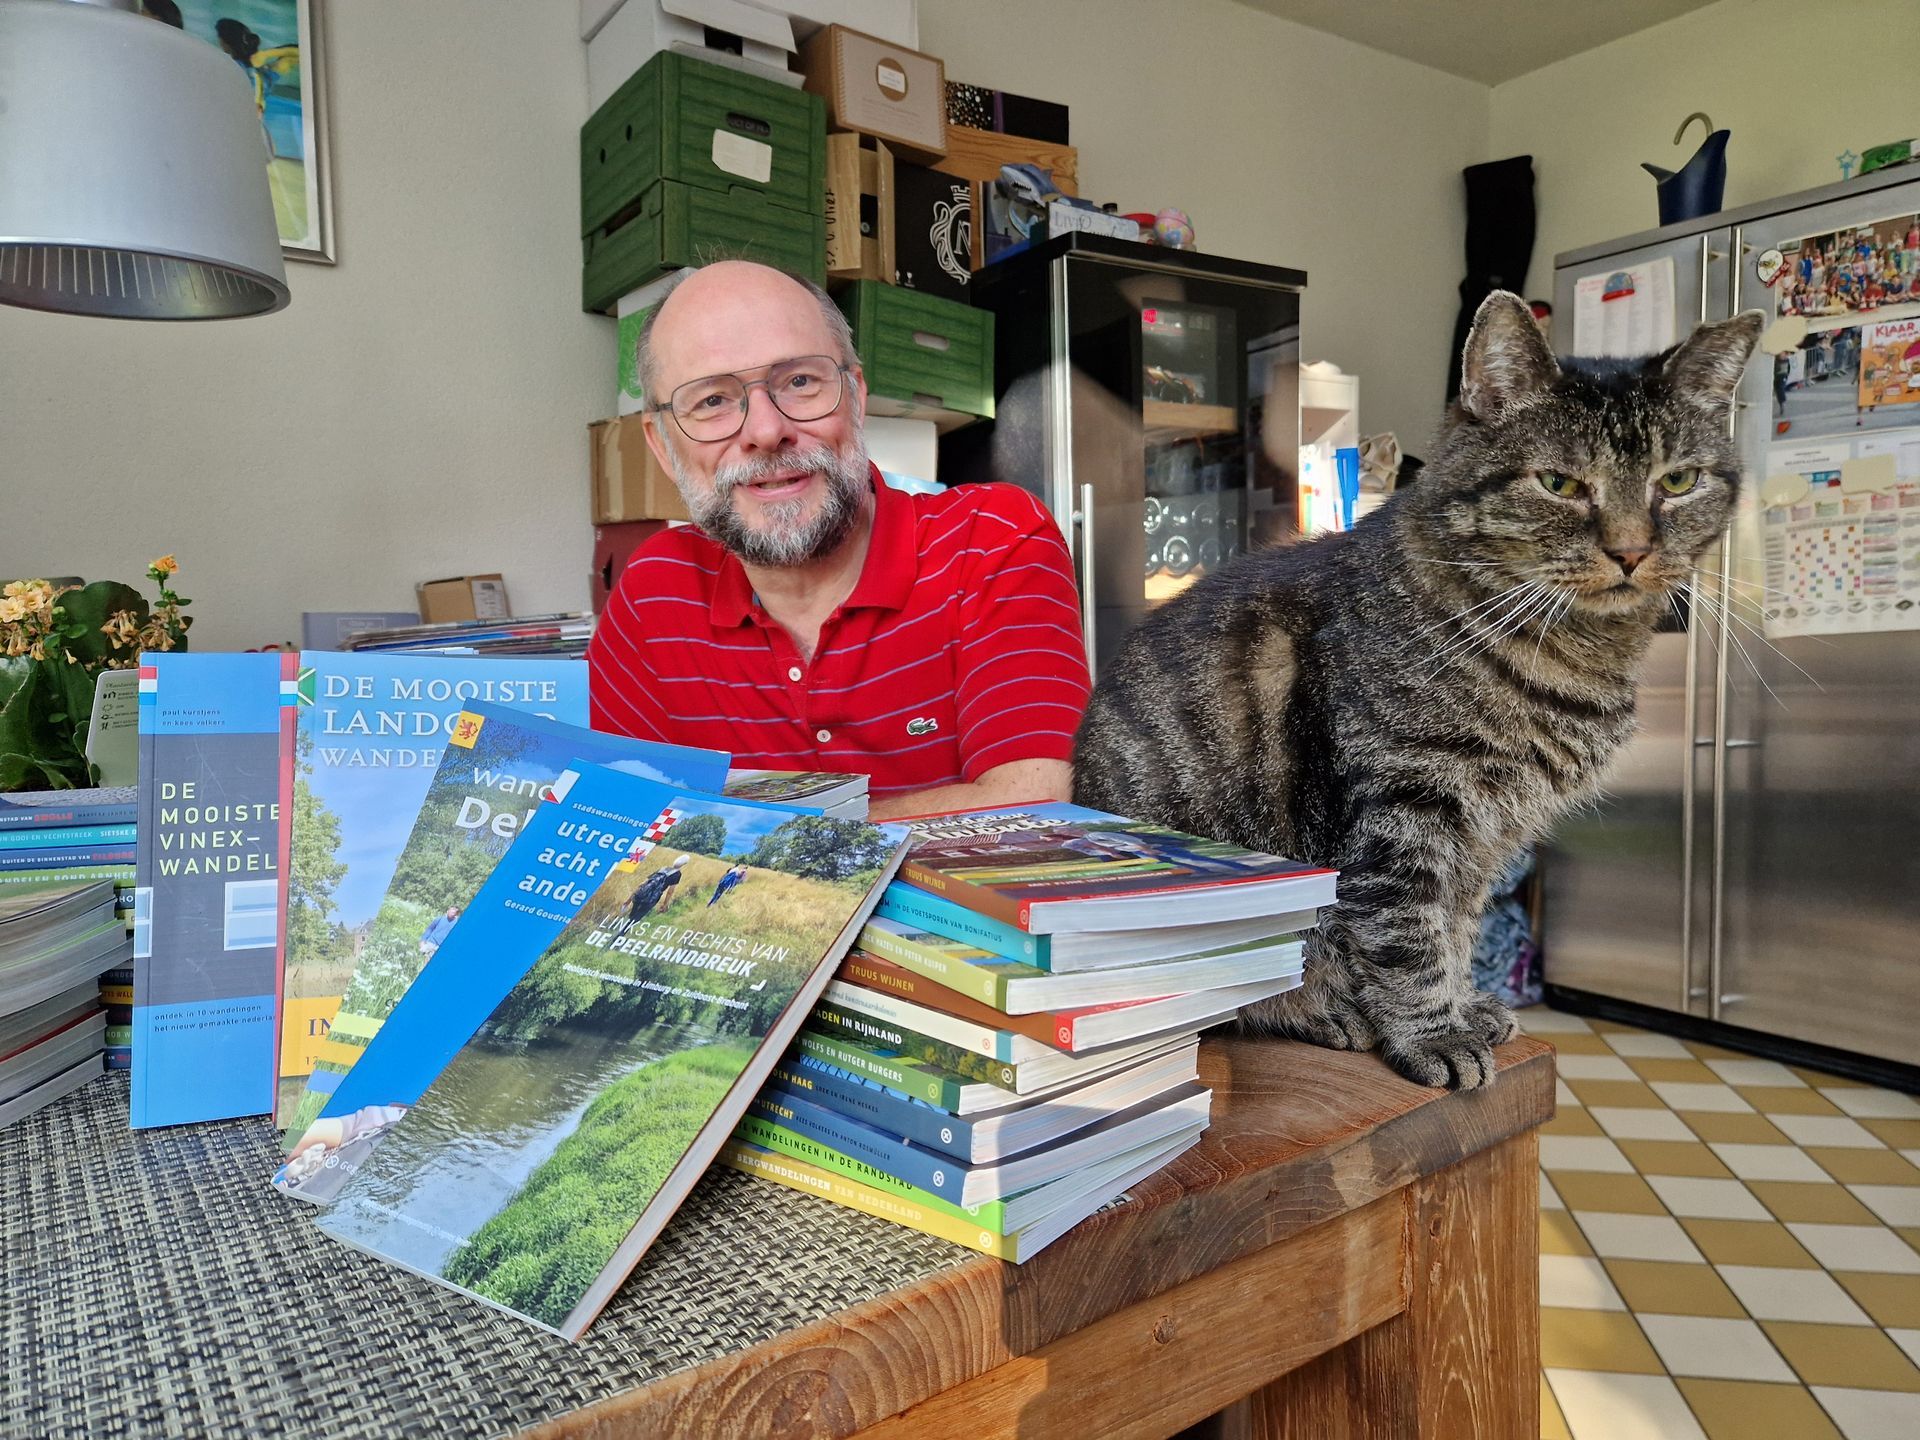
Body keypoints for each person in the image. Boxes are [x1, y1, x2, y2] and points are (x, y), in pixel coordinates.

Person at [588, 260, 1092, 821]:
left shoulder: (995, 539)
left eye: (799, 382)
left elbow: (1036, 807)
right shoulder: (653, 590)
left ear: (855, 395)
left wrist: (738, 829)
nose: (764, 431)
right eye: (712, 400)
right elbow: (619, 822)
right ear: (661, 445)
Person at [620, 855, 690, 932]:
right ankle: (621, 933)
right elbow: (670, 892)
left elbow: (644, 883)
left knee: (632, 914)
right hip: (652, 899)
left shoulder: (663, 868)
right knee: (637, 917)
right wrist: (664, 904)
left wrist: (628, 900)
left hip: (641, 894)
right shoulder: (677, 874)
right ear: (684, 864)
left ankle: (622, 930)